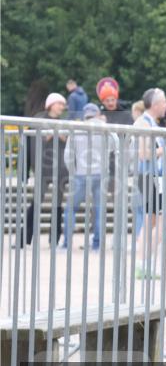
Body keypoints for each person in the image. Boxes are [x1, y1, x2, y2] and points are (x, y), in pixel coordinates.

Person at [19, 93, 69, 248]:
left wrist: (61, 136)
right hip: (43, 168)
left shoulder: (64, 124)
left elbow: (69, 141)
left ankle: (54, 240)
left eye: (63, 104)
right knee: (36, 203)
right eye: (59, 103)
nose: (62, 107)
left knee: (58, 205)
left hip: (60, 170)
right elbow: (31, 143)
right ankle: (24, 239)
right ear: (51, 105)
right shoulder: (38, 122)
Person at [133, 88, 166, 279]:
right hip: (149, 177)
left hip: (153, 177)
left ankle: (143, 263)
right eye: (164, 102)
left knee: (152, 221)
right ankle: (142, 262)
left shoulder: (148, 122)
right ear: (155, 104)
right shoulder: (143, 123)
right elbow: (143, 154)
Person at [62, 103, 112, 250]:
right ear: (97, 113)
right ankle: (97, 244)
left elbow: (68, 155)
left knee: (70, 209)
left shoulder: (77, 130)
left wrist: (74, 171)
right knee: (99, 210)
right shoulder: (105, 129)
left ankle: (67, 243)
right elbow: (114, 148)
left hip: (81, 173)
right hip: (101, 173)